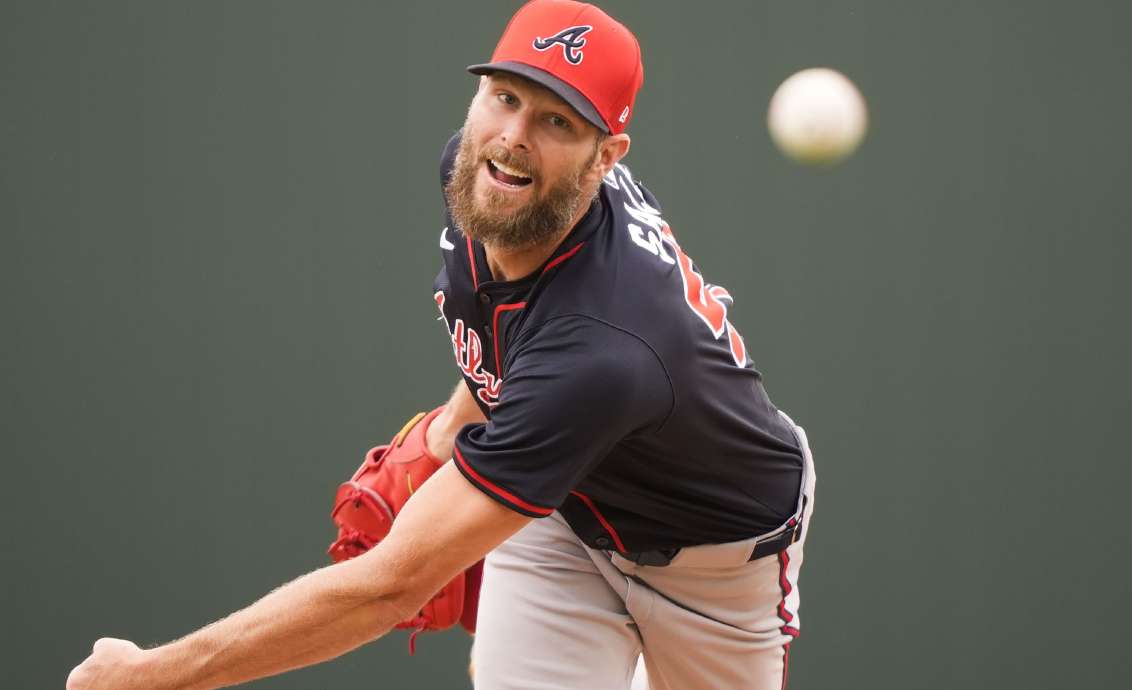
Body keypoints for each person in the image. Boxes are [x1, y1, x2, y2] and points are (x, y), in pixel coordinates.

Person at [66, 1, 815, 688]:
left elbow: (391, 587)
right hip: (559, 508)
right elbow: (519, 350)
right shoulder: (484, 178)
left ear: (605, 156)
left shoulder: (604, 350)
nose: (514, 138)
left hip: (712, 561)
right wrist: (446, 431)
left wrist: (150, 675)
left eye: (558, 121)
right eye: (506, 96)